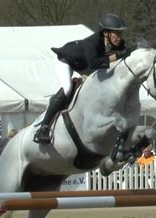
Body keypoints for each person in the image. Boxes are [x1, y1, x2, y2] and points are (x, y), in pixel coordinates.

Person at [34, 13, 131, 144]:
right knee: (67, 89)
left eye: (121, 34)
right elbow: (94, 64)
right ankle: (43, 128)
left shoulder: (117, 43)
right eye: (116, 33)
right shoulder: (92, 42)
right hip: (67, 62)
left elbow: (126, 53)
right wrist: (117, 56)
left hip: (83, 67)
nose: (119, 37)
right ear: (106, 33)